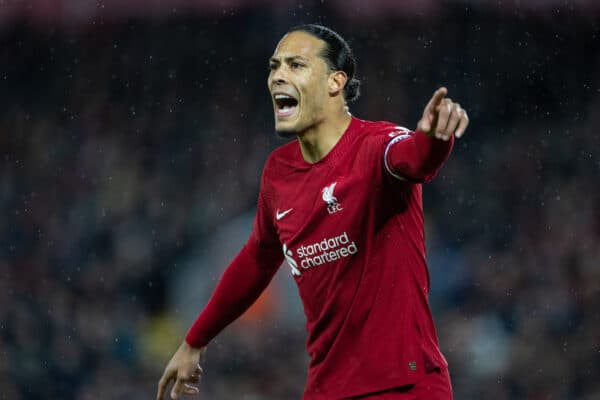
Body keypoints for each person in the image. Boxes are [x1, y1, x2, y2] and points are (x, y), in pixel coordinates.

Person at [157, 24, 469, 400]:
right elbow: (257, 261)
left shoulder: (377, 145)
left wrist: (436, 137)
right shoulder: (278, 172)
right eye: (275, 67)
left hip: (404, 385)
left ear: (335, 82)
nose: (278, 76)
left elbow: (416, 158)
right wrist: (194, 340)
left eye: (296, 65)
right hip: (327, 389)